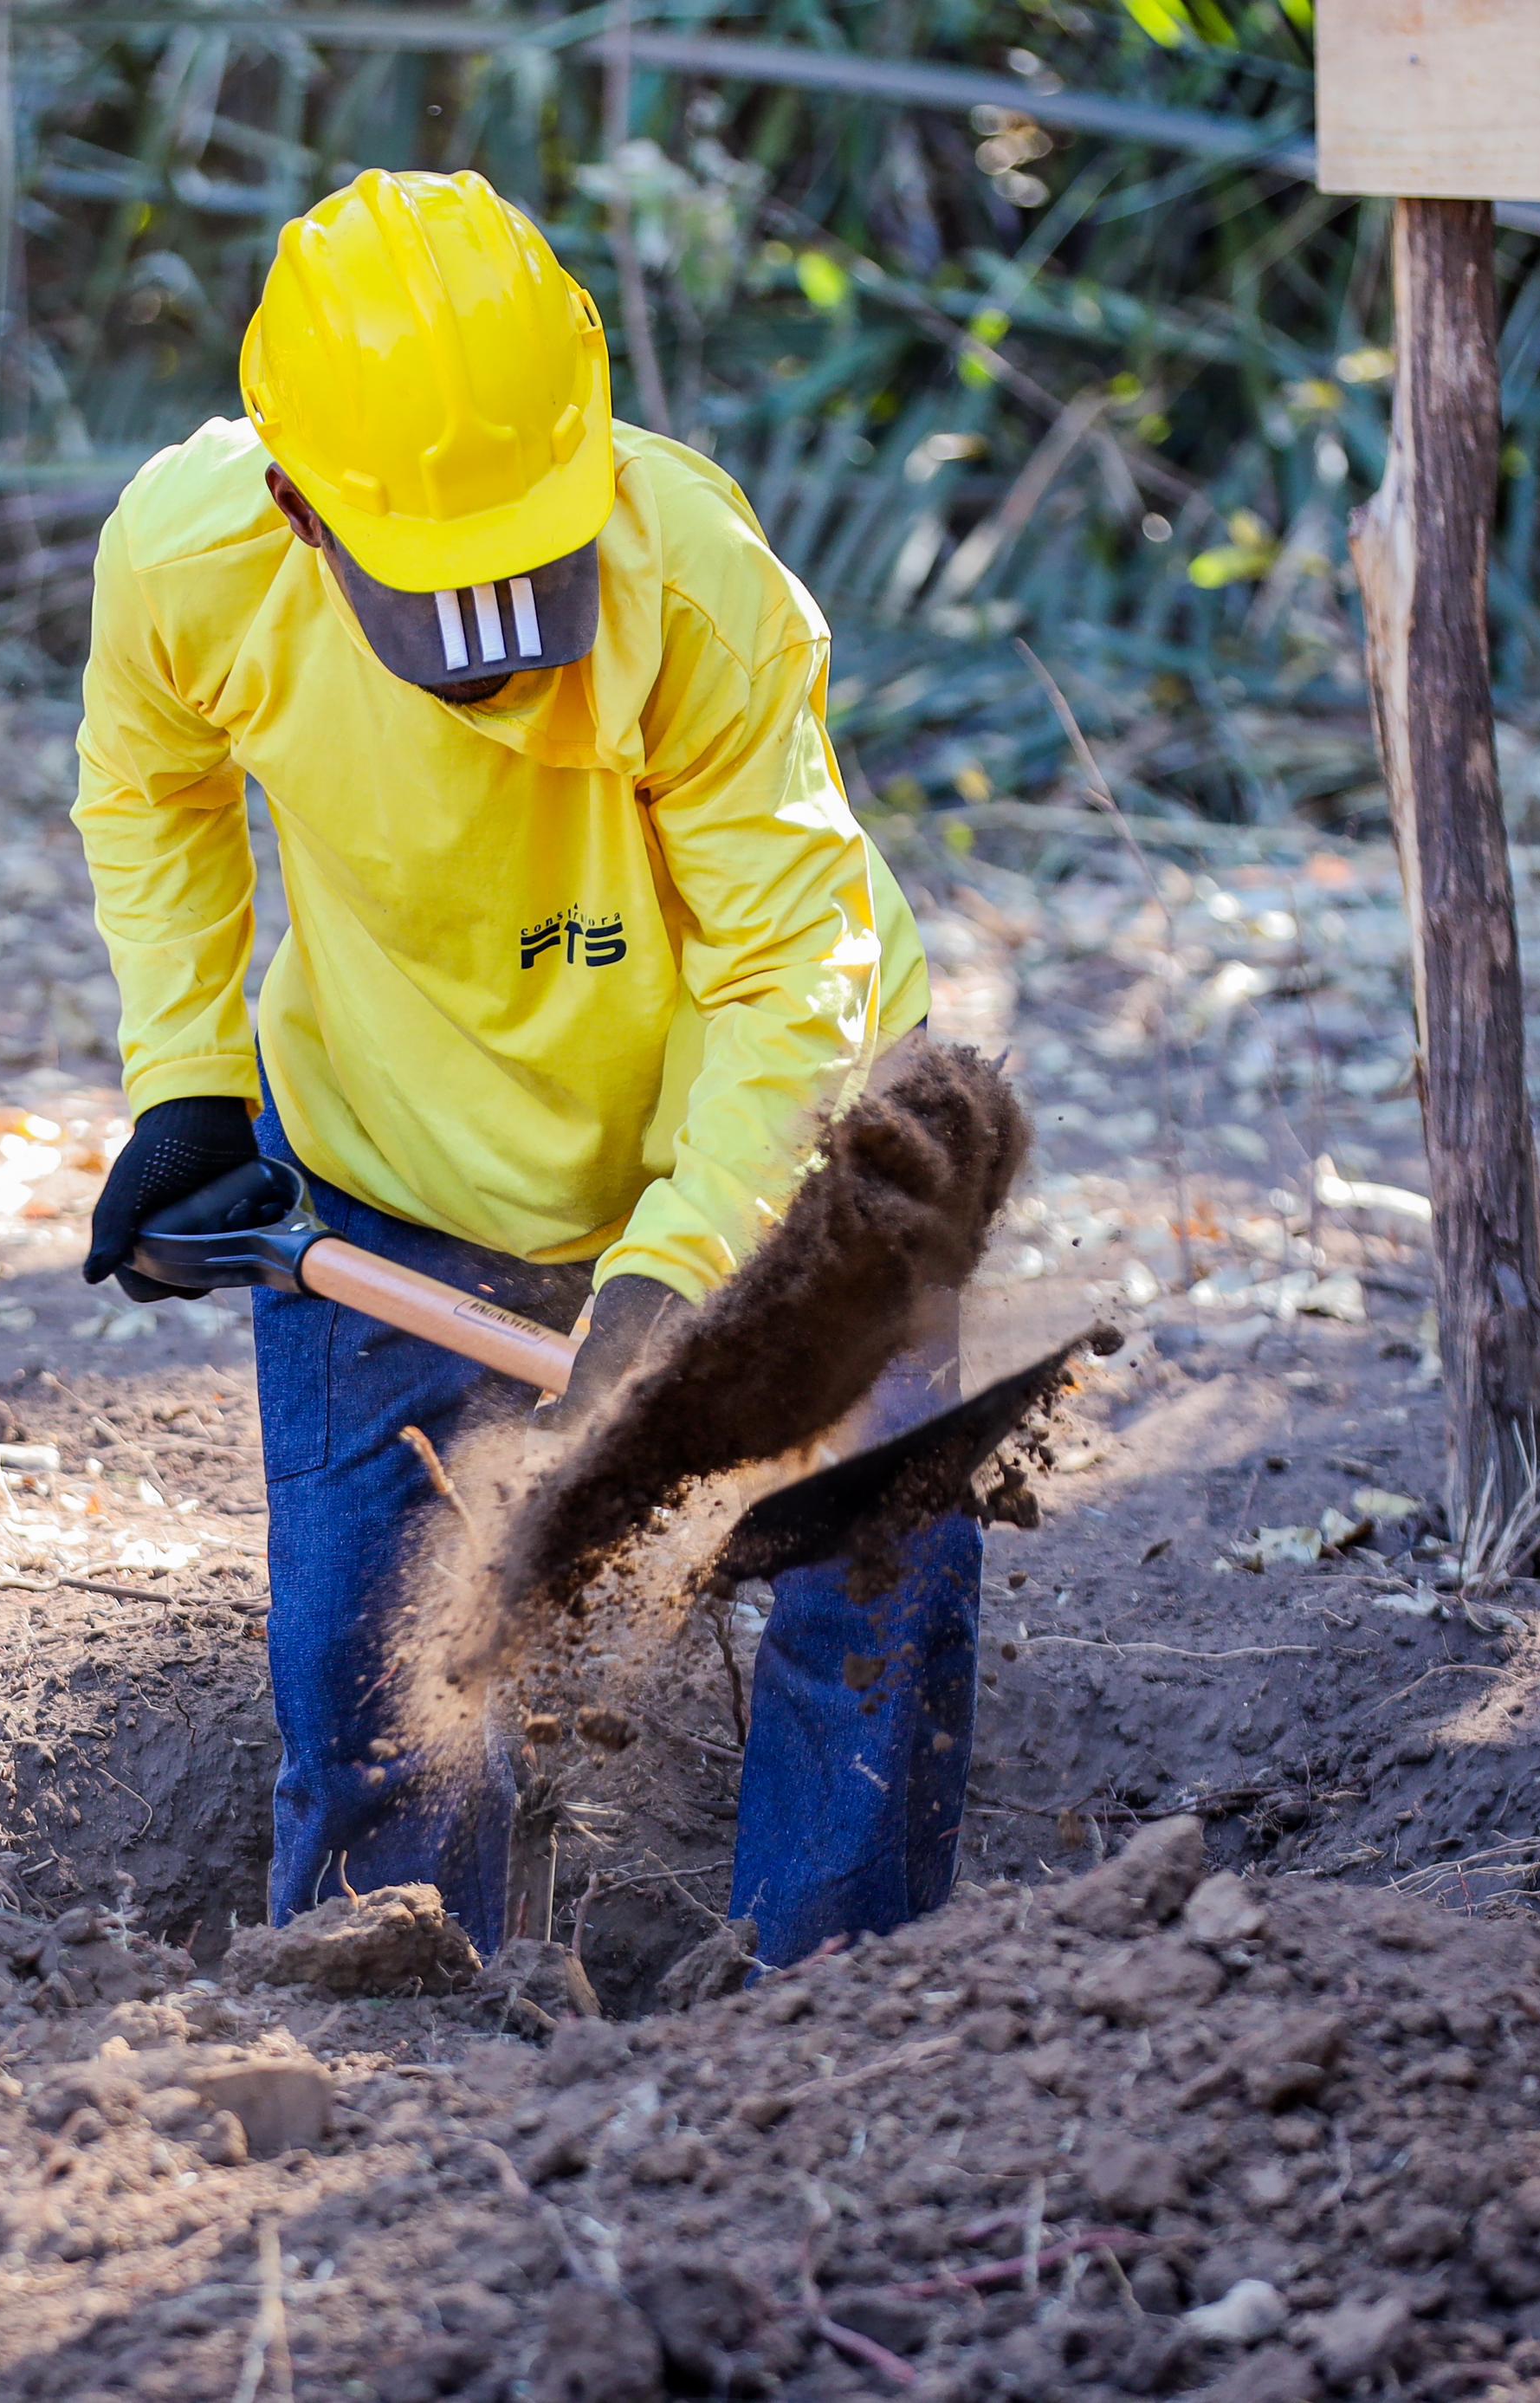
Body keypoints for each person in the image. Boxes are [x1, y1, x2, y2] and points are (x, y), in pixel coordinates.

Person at [68, 166, 974, 1973]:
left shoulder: (697, 587)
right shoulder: (188, 563)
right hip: (401, 1167)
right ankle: (378, 2012)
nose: (496, 618)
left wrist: (681, 1276)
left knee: (866, 1560)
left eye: (528, 554)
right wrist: (184, 1091)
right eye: (436, 573)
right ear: (295, 505)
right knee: (370, 1647)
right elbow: (147, 790)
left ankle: (841, 2015)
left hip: (781, 1146)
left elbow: (794, 967)